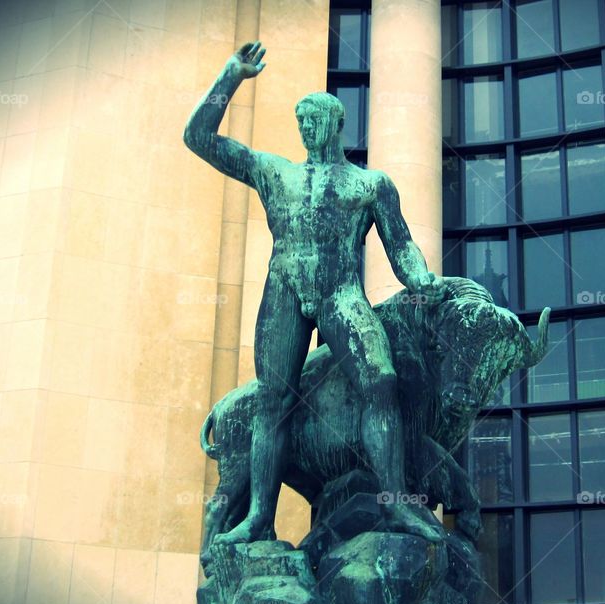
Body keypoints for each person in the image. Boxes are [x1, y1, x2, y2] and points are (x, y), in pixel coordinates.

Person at [184, 41, 444, 544]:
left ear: (336, 123)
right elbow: (198, 136)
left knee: (381, 381)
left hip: (340, 292)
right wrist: (230, 77)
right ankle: (260, 515)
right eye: (299, 121)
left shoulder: (369, 184)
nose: (304, 128)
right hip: (284, 287)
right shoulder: (272, 171)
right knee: (272, 401)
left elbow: (403, 245)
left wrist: (422, 280)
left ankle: (395, 506)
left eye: (312, 120)